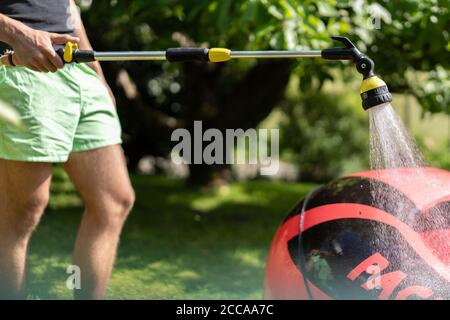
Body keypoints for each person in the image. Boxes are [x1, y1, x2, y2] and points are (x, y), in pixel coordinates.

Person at [0, 0, 135, 299]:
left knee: (113, 201)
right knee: (21, 213)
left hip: (77, 69)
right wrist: (16, 33)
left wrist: (96, 75)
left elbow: (68, 6)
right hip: (20, 63)